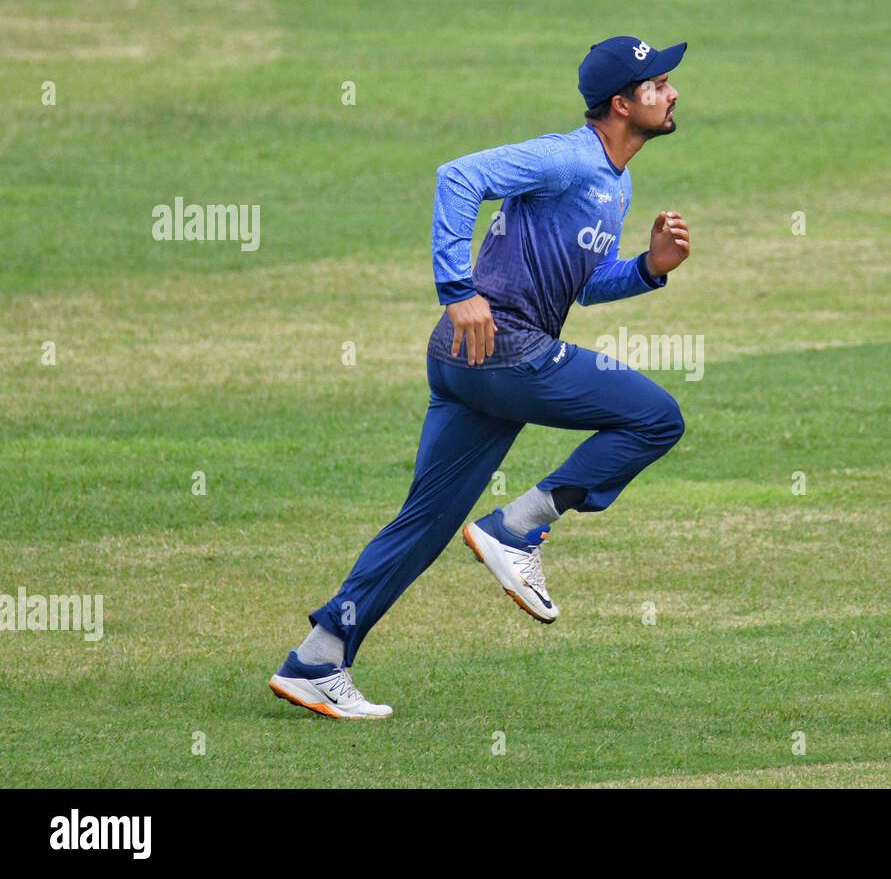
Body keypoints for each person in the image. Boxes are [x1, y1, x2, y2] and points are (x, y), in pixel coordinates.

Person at [268, 36, 692, 718]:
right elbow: (457, 176)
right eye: (658, 84)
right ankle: (519, 527)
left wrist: (650, 267)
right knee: (655, 417)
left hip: (476, 359)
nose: (671, 93)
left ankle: (317, 659)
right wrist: (455, 286)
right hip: (501, 348)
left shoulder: (618, 181)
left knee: (426, 523)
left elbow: (582, 286)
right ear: (622, 102)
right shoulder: (565, 157)